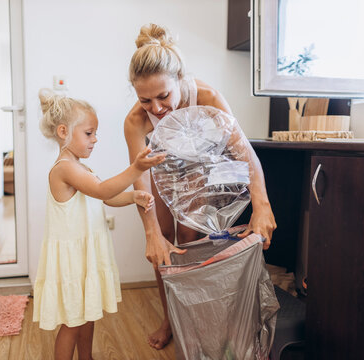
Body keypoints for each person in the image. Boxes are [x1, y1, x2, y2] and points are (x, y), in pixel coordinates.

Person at [124, 23, 277, 349]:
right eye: (145, 100)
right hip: (162, 166)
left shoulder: (208, 98)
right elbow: (141, 183)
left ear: (179, 80)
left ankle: (198, 316)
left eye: (163, 96)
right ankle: (170, 317)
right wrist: (150, 232)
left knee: (190, 241)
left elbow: (245, 155)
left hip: (202, 165)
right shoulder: (136, 121)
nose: (156, 108)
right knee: (162, 245)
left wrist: (262, 205)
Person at [32, 89, 165, 360]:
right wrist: (136, 169)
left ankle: (87, 357)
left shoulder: (81, 168)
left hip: (85, 256)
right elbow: (103, 190)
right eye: (89, 133)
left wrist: (132, 197)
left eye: (95, 133)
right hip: (72, 258)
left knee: (88, 313)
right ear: (63, 132)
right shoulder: (64, 169)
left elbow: (104, 198)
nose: (95, 139)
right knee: (72, 322)